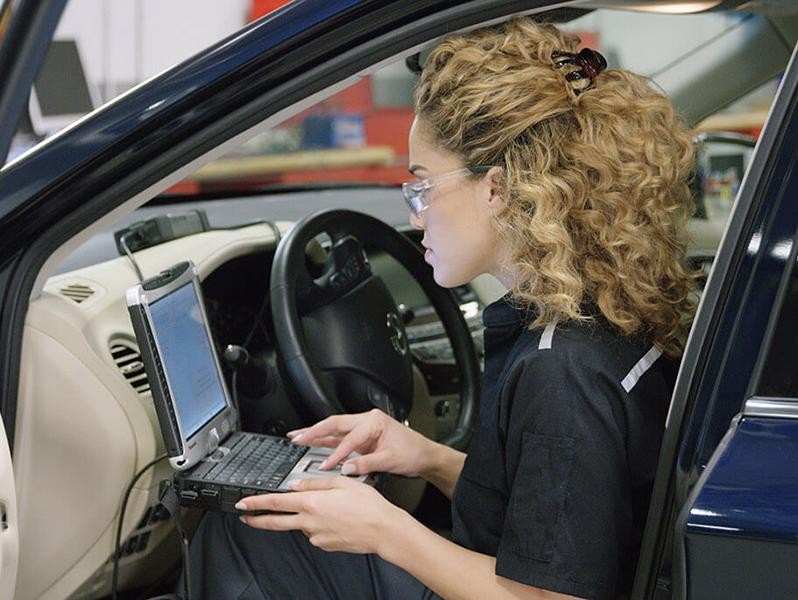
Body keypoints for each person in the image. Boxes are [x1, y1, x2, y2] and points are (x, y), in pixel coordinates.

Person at [187, 17, 696, 600]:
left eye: (423, 186)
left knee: (238, 535)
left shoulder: (563, 374)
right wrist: (427, 457)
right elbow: (556, 516)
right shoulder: (598, 320)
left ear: (497, 188)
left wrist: (384, 528)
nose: (414, 216)